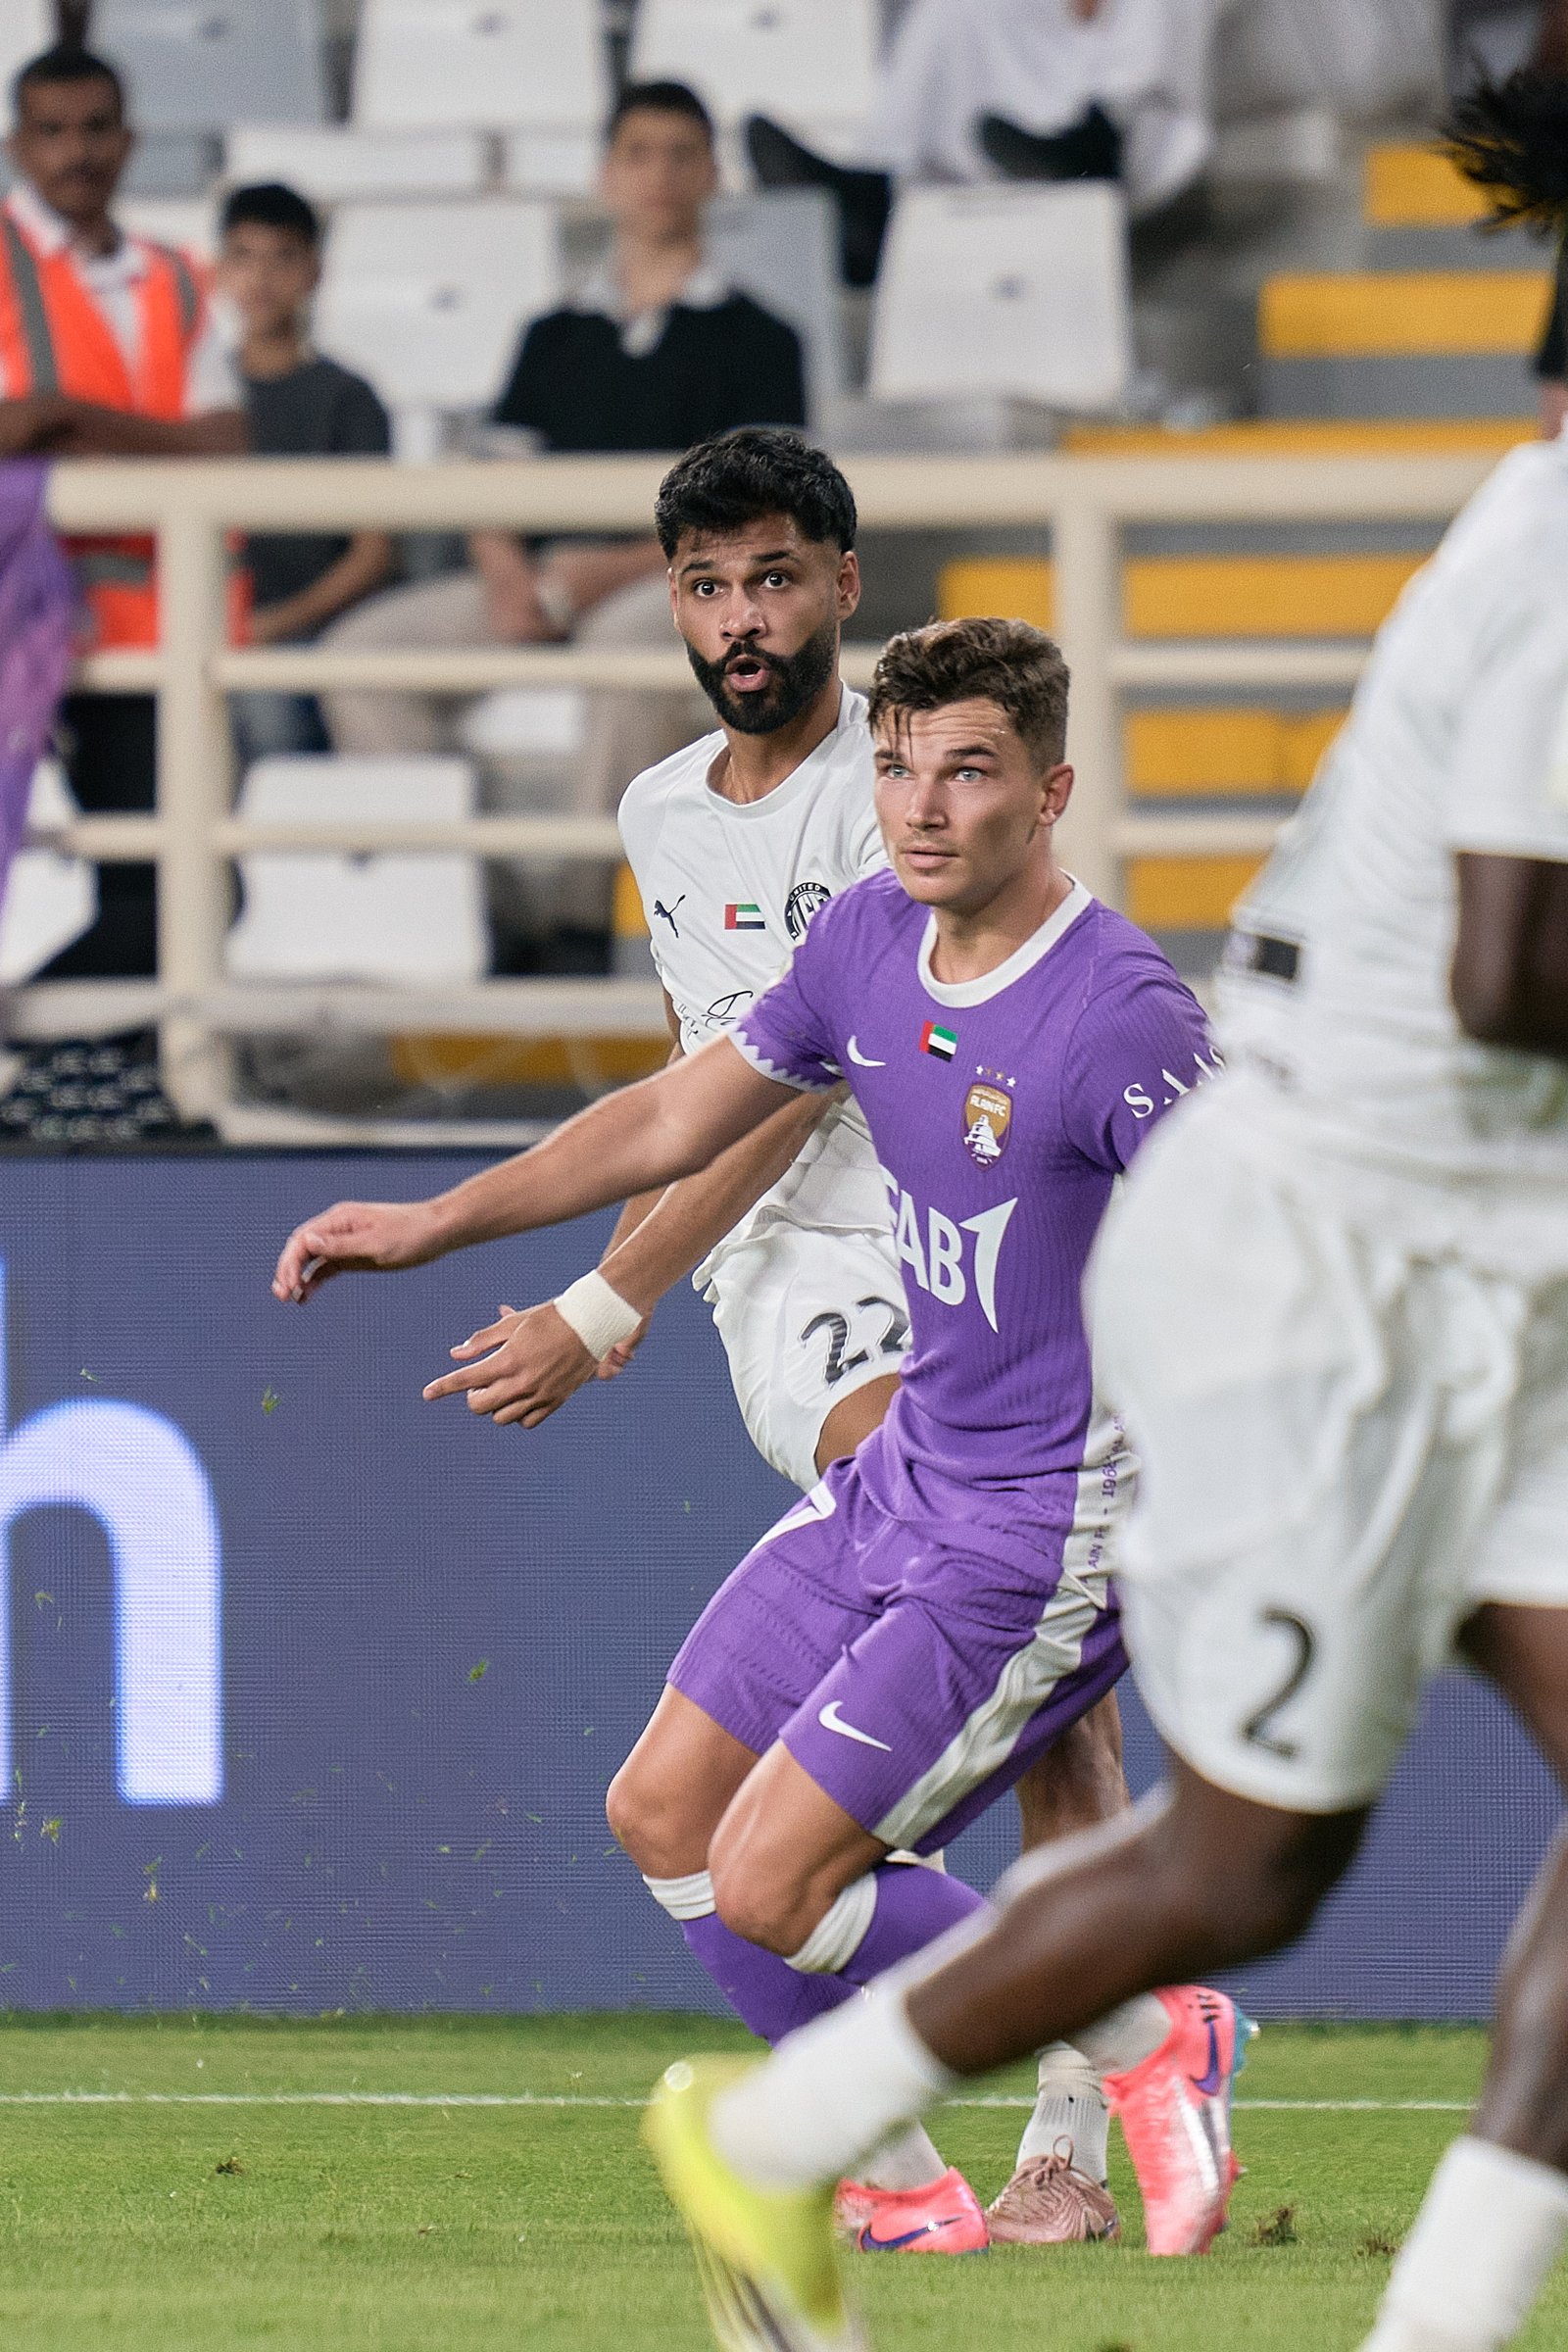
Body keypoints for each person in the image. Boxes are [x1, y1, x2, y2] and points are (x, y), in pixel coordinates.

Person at [640, 66, 1568, 2352]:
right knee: (1189, 1851)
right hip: (1397, 1256)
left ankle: (805, 2134)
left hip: (1397, 1239)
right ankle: (841, 2118)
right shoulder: (1548, 556)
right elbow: (1506, 968)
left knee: (1234, 1854)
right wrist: (588, 1283)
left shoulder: (1511, 527)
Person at [272, 612, 1236, 2264]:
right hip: (913, 1469)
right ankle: (904, 2182)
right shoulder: (867, 938)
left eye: (969, 772)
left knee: (778, 1880)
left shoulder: (1125, 1018)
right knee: (664, 1815)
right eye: (900, 769)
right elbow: (671, 1116)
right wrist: (438, 1221)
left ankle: (1156, 2039)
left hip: (1045, 1526)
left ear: (1051, 791)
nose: (923, 807)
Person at [417, 427, 1136, 2247]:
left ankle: (1053, 2122)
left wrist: (604, 1299)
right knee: (985, 1602)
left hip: (977, 1235)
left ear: (841, 587)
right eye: (708, 586)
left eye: (775, 578)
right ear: (675, 607)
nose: (743, 617)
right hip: (803, 1290)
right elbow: (712, 1088)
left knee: (1044, 1673)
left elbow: (841, 1075)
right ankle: (1010, 2082)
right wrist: (624, 1284)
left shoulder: (911, 775)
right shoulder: (662, 812)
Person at [319, 79, 808, 967]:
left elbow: (757, 514)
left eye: (682, 155)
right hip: (541, 582)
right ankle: (486, 907)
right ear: (605, 174)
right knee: (361, 658)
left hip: (677, 586)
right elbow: (491, 480)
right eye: (638, 154)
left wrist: (604, 574)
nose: (659, 175)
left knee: (624, 650)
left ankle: (580, 918)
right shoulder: (551, 333)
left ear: (712, 175)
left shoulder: (762, 338)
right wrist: (509, 577)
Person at [0, 42, 247, 981]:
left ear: (130, 140)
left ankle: (54, 1048)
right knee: (172, 889)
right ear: (19, 145)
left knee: (181, 887)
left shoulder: (174, 275)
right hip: (24, 616)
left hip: (156, 625)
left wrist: (63, 415)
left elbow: (228, 444)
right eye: (53, 131)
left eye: (96, 129)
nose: (77, 152)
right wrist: (141, 435)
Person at [217, 181, 394, 768]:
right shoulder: (199, 396)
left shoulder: (349, 398)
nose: (261, 278)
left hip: (312, 629)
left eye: (282, 257)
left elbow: (372, 555)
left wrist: (271, 625)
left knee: (264, 708)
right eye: (244, 256)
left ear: (314, 271)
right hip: (211, 620)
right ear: (220, 270)